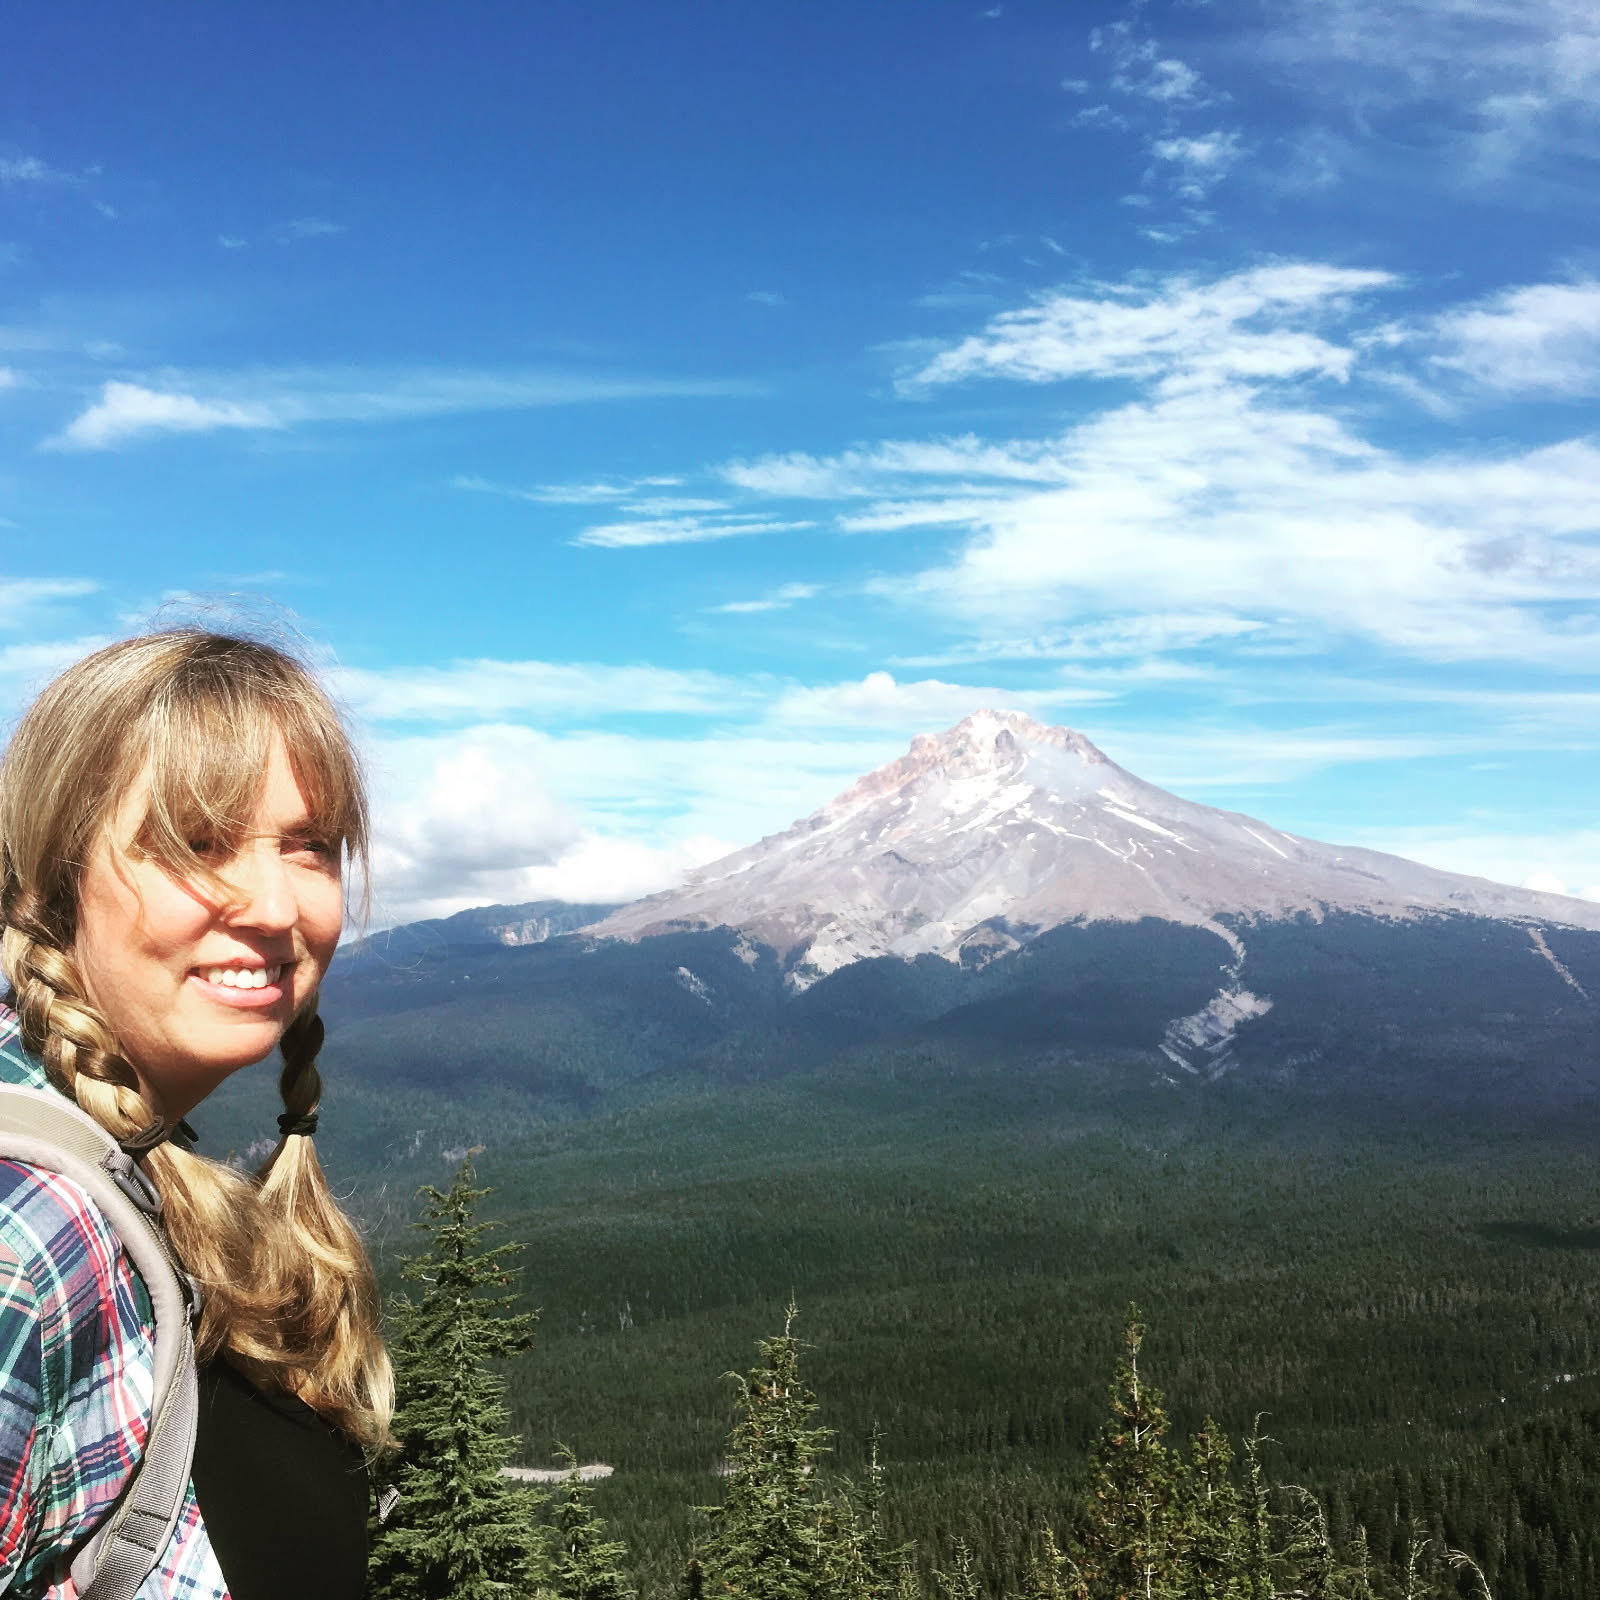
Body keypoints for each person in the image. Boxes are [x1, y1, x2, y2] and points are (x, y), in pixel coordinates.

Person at [0, 630, 392, 1600]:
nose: (272, 905)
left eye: (308, 846)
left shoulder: (122, 1154)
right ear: (53, 877)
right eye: (196, 841)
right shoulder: (28, 1231)